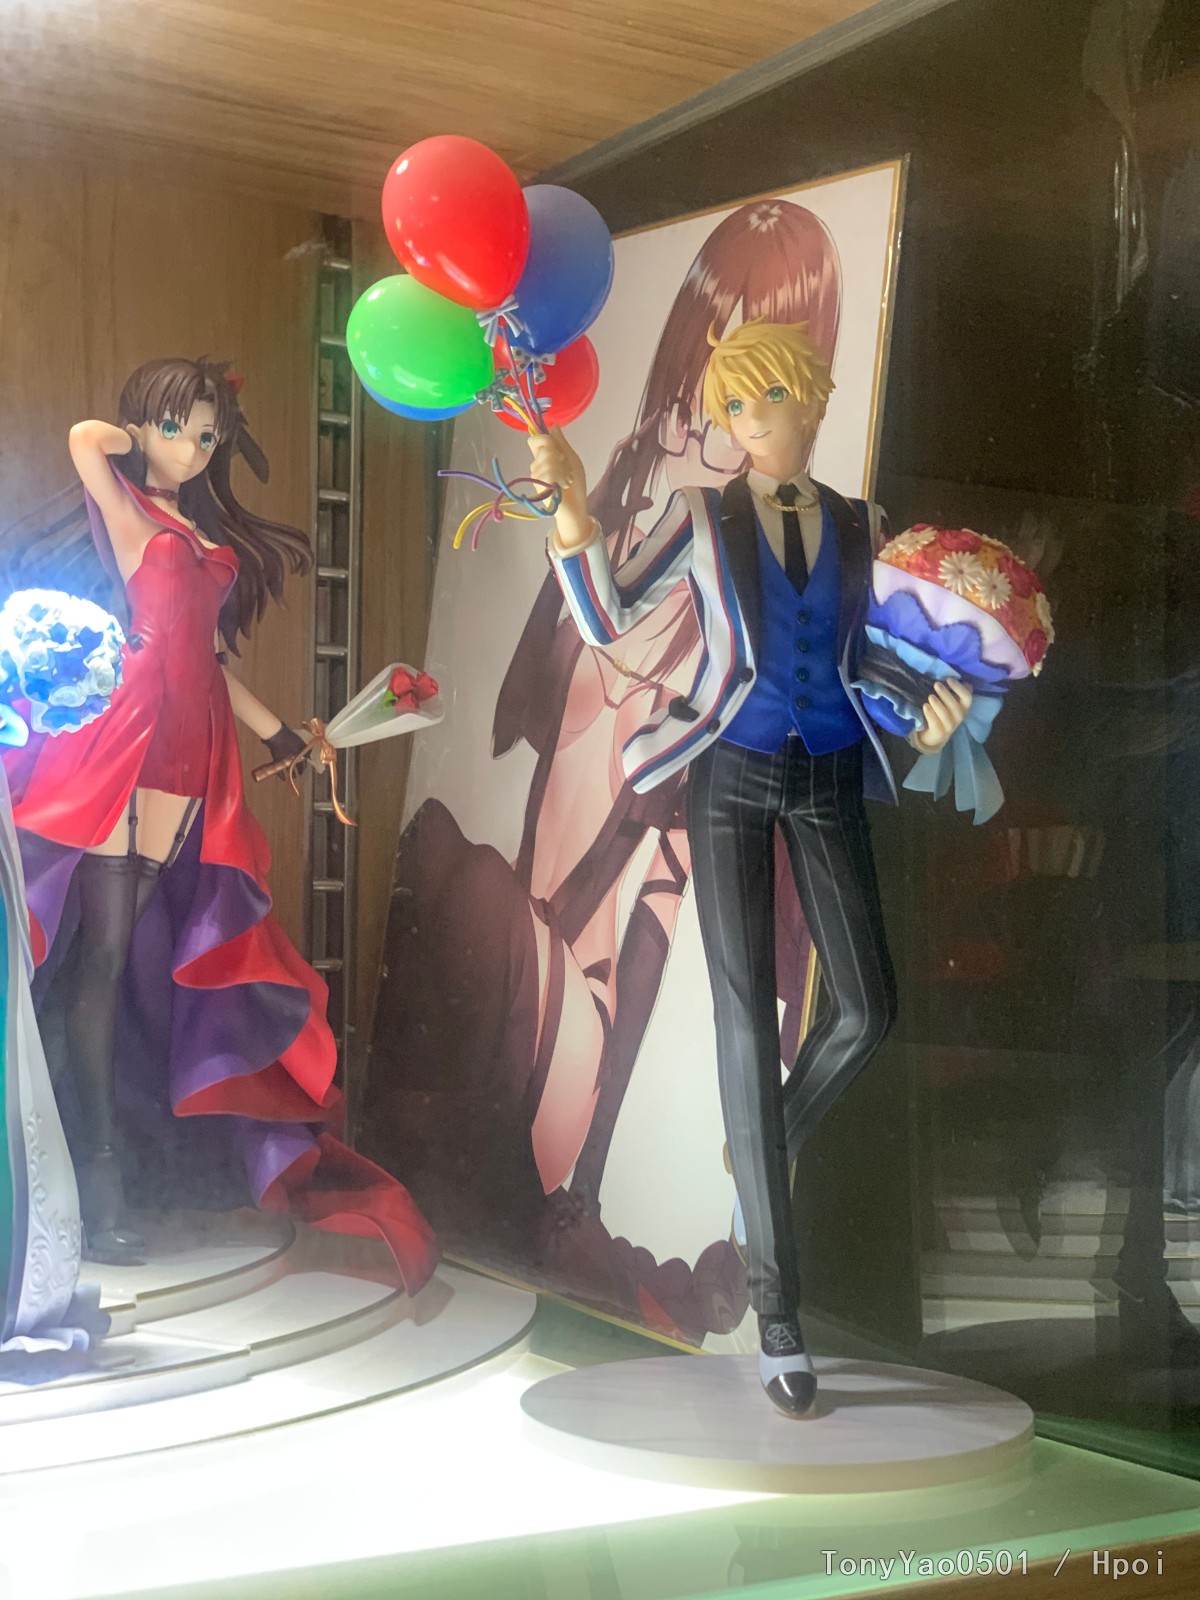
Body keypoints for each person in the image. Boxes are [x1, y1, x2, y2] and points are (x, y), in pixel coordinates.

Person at [531, 318, 972, 1417]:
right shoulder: (701, 515)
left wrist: (926, 710)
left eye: (766, 398)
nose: (748, 422)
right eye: (734, 405)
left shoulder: (864, 524)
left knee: (867, 1007)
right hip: (728, 768)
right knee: (742, 1018)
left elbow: (866, 654)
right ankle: (779, 1316)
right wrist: (574, 512)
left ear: (810, 398)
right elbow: (610, 615)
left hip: (828, 770)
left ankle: (764, 1133)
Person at [1, 358, 436, 1293]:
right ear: (144, 427)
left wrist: (282, 734)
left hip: (192, 744)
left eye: (208, 437)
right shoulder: (126, 511)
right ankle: (95, 1177)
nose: (194, 450)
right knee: (99, 955)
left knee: (125, 951)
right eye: (178, 429)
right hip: (121, 731)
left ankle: (108, 1154)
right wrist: (141, 430)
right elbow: (84, 438)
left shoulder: (201, 535)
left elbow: (208, 657)